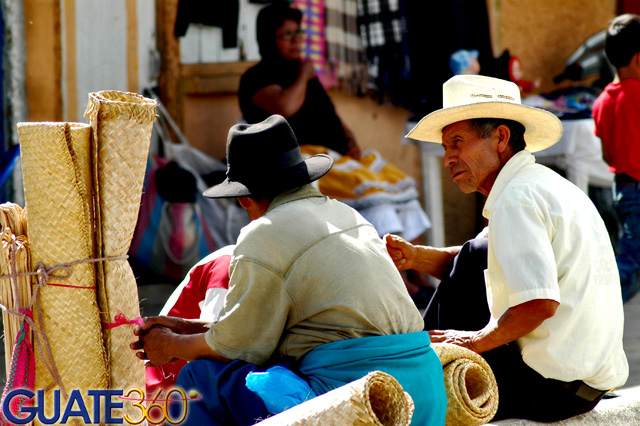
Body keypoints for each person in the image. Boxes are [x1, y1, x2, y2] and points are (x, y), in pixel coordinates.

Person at [130, 115, 447, 426]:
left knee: (200, 379)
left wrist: (170, 346)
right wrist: (184, 328)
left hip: (362, 401)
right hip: (425, 395)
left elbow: (233, 347)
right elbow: (252, 332)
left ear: (244, 200)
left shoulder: (265, 232)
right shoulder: (346, 213)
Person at [387, 74, 629, 422]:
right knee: (475, 253)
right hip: (581, 384)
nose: (448, 158)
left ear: (500, 137)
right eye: (445, 147)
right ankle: (415, 370)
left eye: (457, 142)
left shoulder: (516, 199)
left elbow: (538, 304)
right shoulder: (543, 185)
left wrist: (472, 341)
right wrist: (416, 257)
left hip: (551, 390)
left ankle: (410, 383)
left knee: (435, 362)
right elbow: (489, 257)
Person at [237, 1, 430, 244]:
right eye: (288, 34)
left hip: (337, 155)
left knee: (404, 199)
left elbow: (328, 112)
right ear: (267, 38)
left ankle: (419, 275)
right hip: (302, 162)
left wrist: (349, 138)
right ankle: (399, 278)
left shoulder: (300, 69)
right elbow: (284, 107)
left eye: (299, 32)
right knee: (379, 204)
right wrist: (305, 76)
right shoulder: (257, 77)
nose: (297, 40)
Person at [592, 13, 640, 303]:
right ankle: (599, 310)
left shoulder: (602, 102)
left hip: (622, 188)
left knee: (632, 256)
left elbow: (606, 154)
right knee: (630, 262)